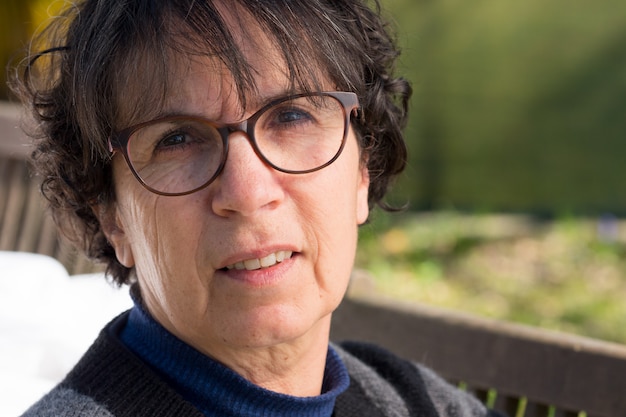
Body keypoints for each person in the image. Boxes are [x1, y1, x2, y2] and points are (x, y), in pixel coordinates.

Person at [11, 0, 504, 416]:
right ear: (111, 216)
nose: (247, 192)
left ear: (362, 169)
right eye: (177, 139)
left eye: (292, 115)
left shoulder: (420, 402)